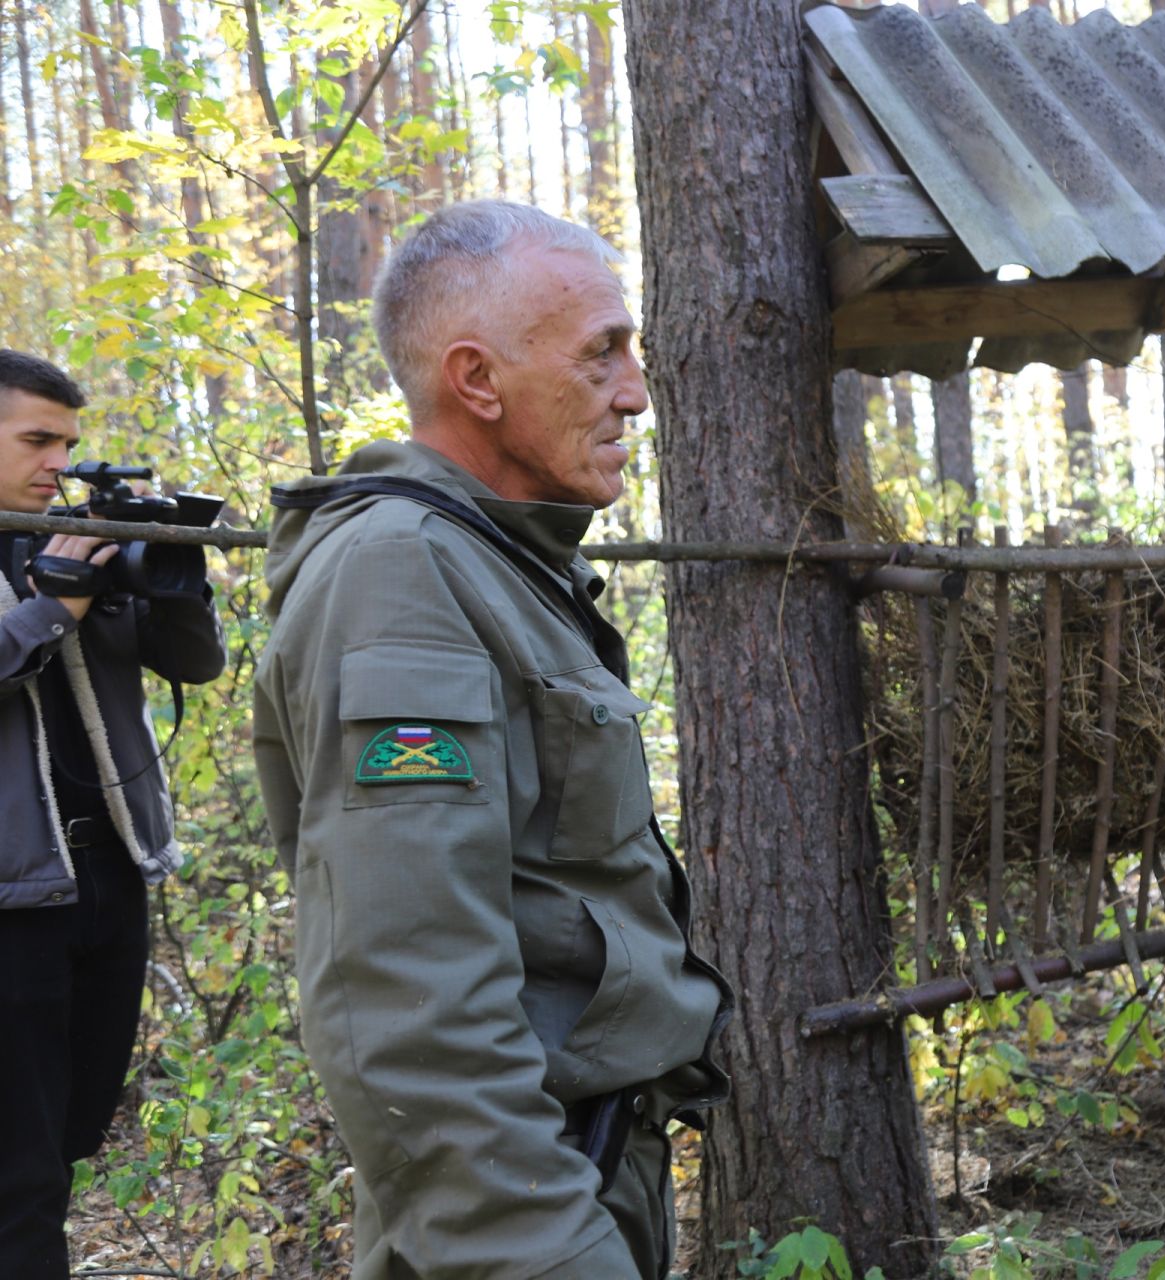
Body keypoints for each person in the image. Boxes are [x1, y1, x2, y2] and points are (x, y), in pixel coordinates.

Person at [251, 201, 731, 1280]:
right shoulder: (400, 576)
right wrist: (550, 1252)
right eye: (602, 353)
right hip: (515, 1217)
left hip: (576, 1174)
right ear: (478, 381)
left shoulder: (494, 562)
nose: (635, 392)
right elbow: (410, 1007)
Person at [0, 350, 226, 1277]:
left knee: (70, 1137)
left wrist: (171, 576)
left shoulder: (77, 538)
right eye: (37, 440)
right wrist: (52, 605)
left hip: (108, 878)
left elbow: (196, 665)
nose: (60, 462)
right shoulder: (58, 567)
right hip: (8, 904)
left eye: (70, 443)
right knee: (19, 1172)